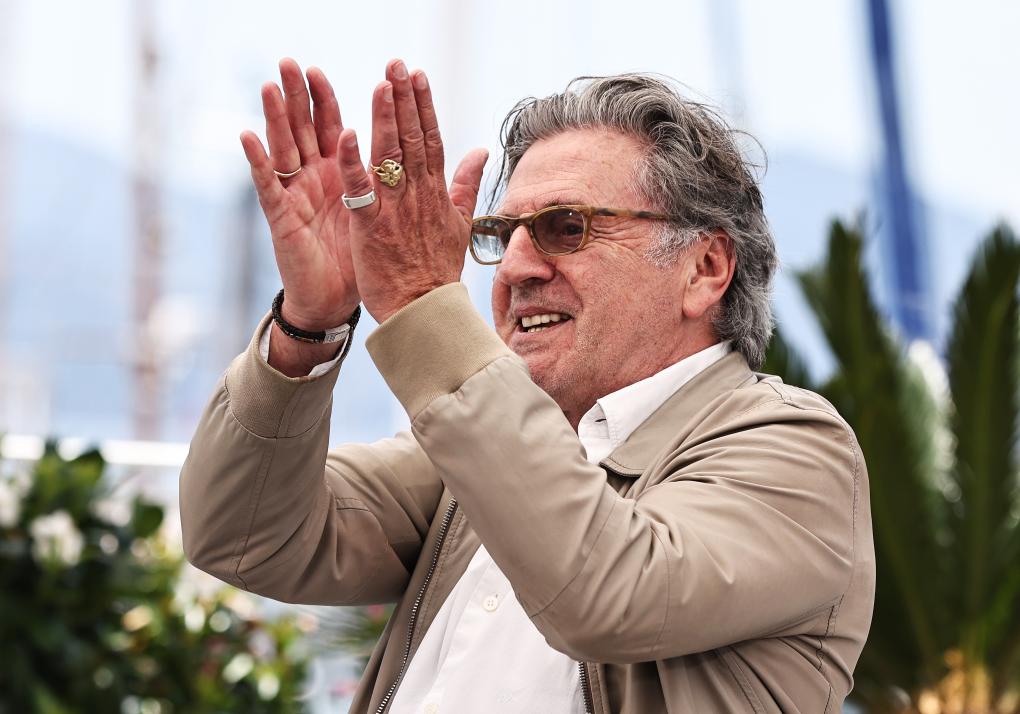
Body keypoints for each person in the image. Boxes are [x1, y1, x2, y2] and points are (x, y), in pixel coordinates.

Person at [180, 57, 875, 713]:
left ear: (705, 269)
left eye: (563, 228)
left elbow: (609, 595)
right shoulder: (480, 451)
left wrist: (421, 298)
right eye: (499, 234)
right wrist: (310, 324)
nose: (512, 268)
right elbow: (245, 537)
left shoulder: (795, 450)